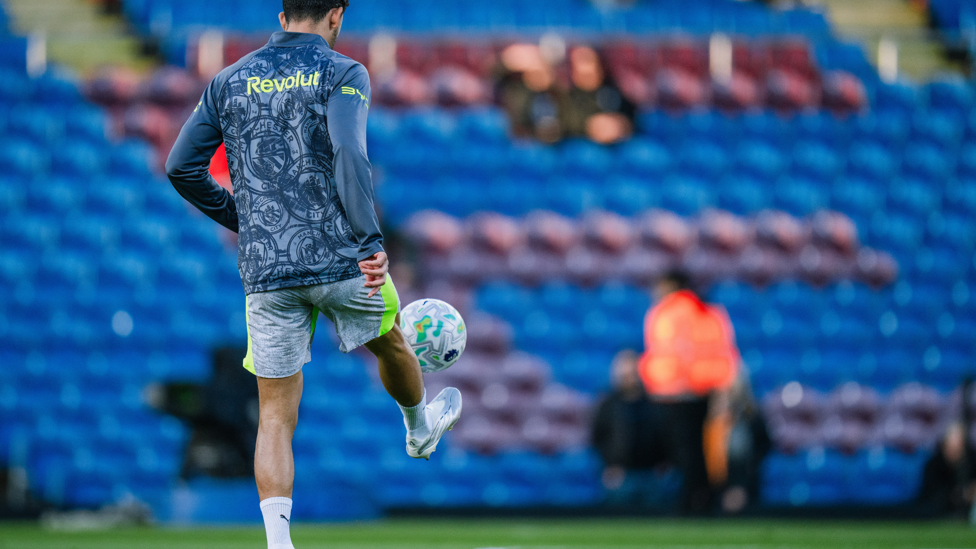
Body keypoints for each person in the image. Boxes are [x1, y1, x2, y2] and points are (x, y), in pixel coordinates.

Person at [165, 2, 462, 547]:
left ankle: (279, 543)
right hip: (339, 252)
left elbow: (179, 166)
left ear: (281, 16)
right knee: (391, 341)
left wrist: (244, 217)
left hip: (266, 268)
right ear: (336, 15)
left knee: (275, 414)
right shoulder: (344, 72)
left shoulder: (228, 80)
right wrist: (372, 239)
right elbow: (350, 150)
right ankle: (419, 430)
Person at [637, 270, 739, 515]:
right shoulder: (708, 312)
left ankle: (692, 500)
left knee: (685, 452)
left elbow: (668, 353)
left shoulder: (667, 312)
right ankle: (702, 497)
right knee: (699, 450)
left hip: (674, 392)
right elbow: (724, 353)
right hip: (703, 390)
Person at [591, 350, 671, 509]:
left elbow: (666, 434)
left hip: (651, 474)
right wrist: (610, 465)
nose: (628, 378)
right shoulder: (608, 405)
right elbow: (597, 438)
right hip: (621, 475)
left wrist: (664, 462)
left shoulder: (654, 403)